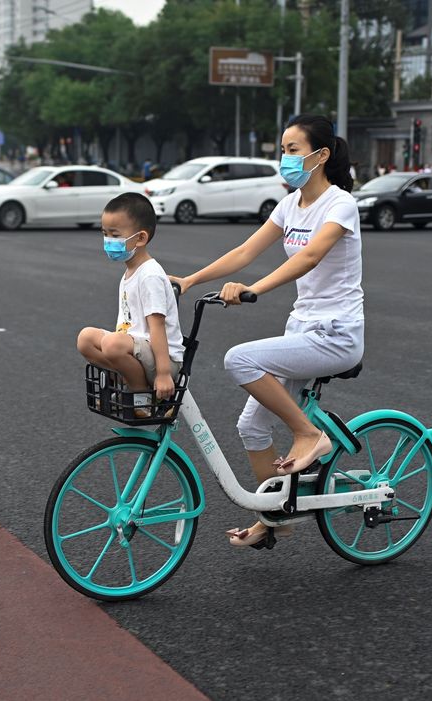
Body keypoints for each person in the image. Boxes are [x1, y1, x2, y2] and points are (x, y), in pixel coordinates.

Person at [171, 114, 364, 549]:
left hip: (337, 334)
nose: (285, 158)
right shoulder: (290, 205)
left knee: (240, 359)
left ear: (321, 155)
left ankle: (310, 434)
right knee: (251, 427)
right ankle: (275, 516)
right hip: (303, 331)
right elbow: (245, 250)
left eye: (293, 150)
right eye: (283, 150)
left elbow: (311, 256)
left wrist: (253, 290)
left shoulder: (339, 204)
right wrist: (189, 280)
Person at [76, 193, 183, 420]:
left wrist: (164, 373)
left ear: (140, 238)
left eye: (115, 235)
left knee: (113, 343)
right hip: (138, 353)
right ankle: (130, 382)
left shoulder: (149, 275)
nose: (108, 241)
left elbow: (157, 326)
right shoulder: (130, 272)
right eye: (105, 234)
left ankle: (141, 395)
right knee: (86, 338)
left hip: (163, 360)